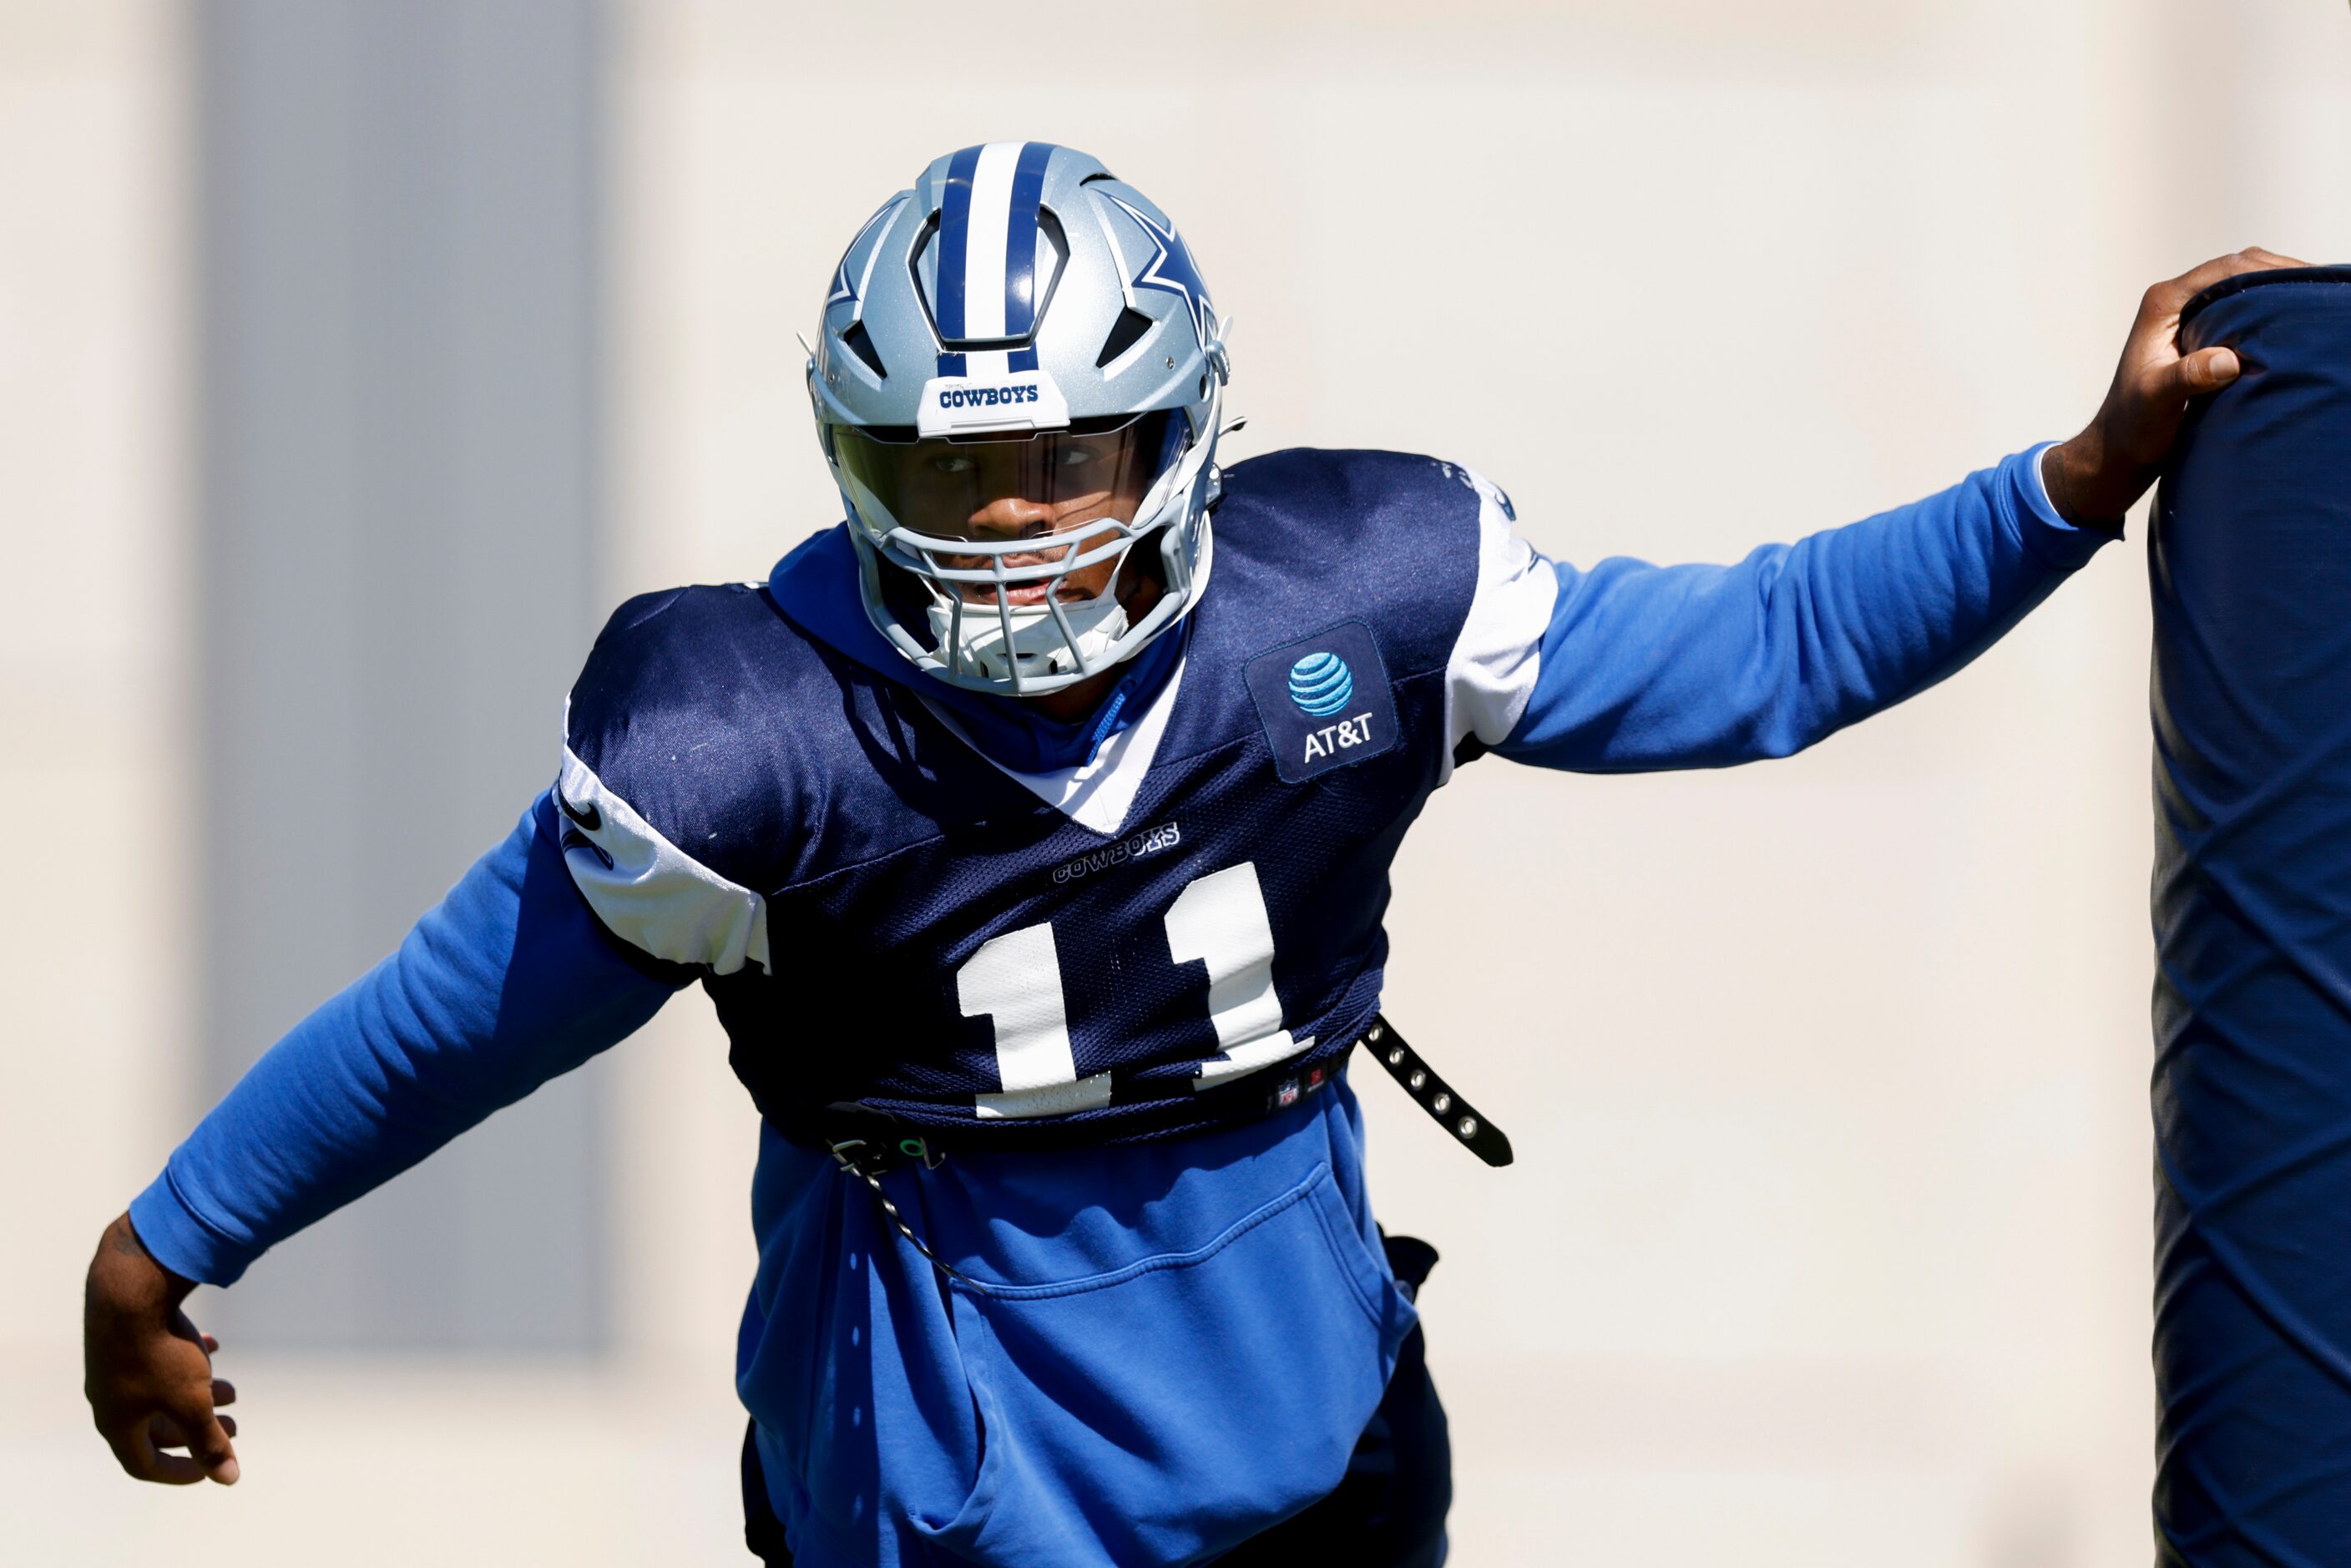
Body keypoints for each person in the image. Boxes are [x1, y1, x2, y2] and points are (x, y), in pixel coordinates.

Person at [80, 139, 2299, 1567]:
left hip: (1316, 1482)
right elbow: (447, 1028)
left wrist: (2075, 476)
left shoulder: (1356, 604)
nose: (1013, 524)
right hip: (930, 1528)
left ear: (1181, 428)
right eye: (952, 477)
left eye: (1064, 461)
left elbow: (1764, 649)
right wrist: (168, 1246)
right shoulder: (746, 737)